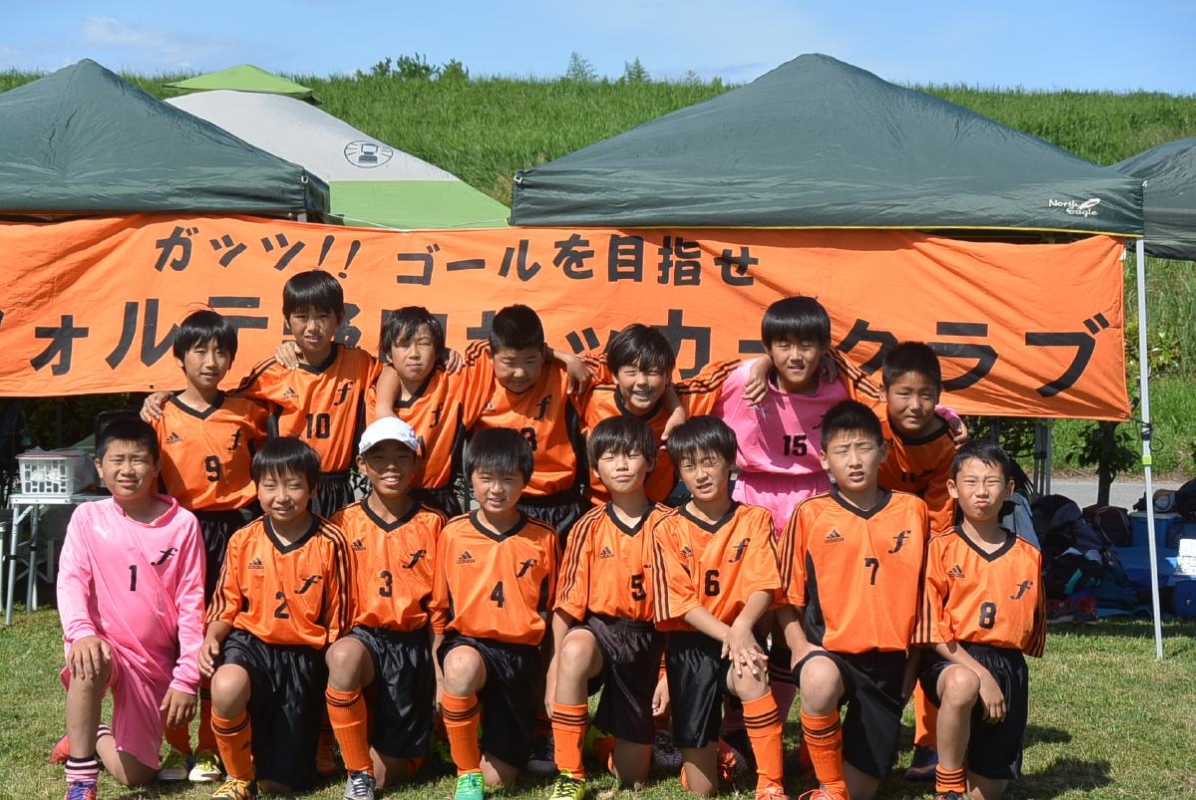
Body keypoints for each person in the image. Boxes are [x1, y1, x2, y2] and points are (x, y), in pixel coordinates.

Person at [777, 400, 930, 800]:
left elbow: (926, 600)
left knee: (862, 792)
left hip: (887, 665)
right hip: (828, 654)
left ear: (883, 451)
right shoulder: (810, 514)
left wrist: (908, 675)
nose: (855, 460)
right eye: (842, 451)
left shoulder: (913, 512)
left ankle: (817, 752)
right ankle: (829, 787)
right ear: (824, 460)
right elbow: (785, 595)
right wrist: (799, 648)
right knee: (819, 680)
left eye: (864, 448)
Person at [53, 417, 205, 800]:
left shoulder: (183, 525)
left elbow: (192, 603)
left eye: (138, 460)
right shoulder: (87, 518)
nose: (127, 470)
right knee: (89, 660)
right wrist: (81, 633)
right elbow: (71, 580)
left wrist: (186, 677)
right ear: (99, 467)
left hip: (151, 660)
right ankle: (81, 780)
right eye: (117, 460)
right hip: (103, 645)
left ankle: (91, 735)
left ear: (156, 466)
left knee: (135, 774)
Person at [146, 271, 380, 518]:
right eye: (302, 317)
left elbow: (392, 375)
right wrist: (169, 397)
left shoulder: (359, 363)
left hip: (336, 485)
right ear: (287, 320)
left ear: (340, 318)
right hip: (287, 486)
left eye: (322, 316)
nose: (313, 327)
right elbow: (219, 404)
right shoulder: (272, 371)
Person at [148, 309, 268, 782]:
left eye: (221, 351)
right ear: (180, 357)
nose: (211, 360)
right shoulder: (160, 415)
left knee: (223, 632)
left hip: (232, 530)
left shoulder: (248, 412)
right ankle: (175, 745)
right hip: (178, 531)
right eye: (199, 350)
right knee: (174, 635)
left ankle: (211, 745)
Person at [201, 437, 351, 800]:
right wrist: (212, 638)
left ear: (313, 489)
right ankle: (238, 777)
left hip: (302, 657)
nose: (281, 496)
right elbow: (226, 604)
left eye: (293, 485)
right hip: (251, 646)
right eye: (270, 486)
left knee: (279, 785)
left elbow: (340, 617)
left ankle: (312, 739)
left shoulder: (332, 541)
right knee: (227, 684)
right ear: (257, 488)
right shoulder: (243, 539)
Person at [651, 416, 787, 800]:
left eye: (709, 462)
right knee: (703, 791)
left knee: (751, 671)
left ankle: (771, 785)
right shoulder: (667, 528)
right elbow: (681, 603)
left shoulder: (755, 519)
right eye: (689, 466)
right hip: (691, 645)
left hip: (739, 634)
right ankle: (715, 754)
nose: (701, 474)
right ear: (679, 473)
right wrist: (730, 633)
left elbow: (763, 584)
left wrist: (742, 627)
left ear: (730, 463)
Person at [429, 428, 560, 800]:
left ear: (525, 481)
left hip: (519, 658)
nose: (496, 489)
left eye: (508, 479)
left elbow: (554, 615)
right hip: (468, 645)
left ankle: (489, 740)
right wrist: (438, 676)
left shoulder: (544, 538)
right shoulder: (453, 534)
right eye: (486, 478)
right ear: (470, 478)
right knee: (461, 667)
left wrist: (549, 679)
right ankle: (466, 771)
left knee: (498, 780)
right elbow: (438, 610)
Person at [546, 416, 672, 799]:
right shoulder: (587, 526)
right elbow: (566, 607)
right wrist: (554, 670)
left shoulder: (672, 526)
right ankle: (570, 774)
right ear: (595, 468)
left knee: (632, 778)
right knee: (574, 648)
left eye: (631, 454)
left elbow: (684, 611)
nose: (621, 465)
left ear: (650, 461)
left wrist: (667, 673)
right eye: (610, 456)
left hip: (649, 640)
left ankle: (600, 741)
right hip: (601, 632)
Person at [914, 441, 1047, 800]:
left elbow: (1030, 631)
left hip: (1007, 664)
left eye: (991, 482)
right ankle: (947, 783)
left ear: (1009, 489)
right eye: (971, 482)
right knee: (963, 684)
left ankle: (975, 771)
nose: (981, 492)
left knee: (985, 793)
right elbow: (932, 630)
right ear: (953, 489)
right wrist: (982, 676)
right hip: (952, 657)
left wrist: (1001, 675)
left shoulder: (1028, 556)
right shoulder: (939, 548)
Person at [325, 417, 447, 800]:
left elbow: (440, 610)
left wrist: (439, 674)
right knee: (343, 657)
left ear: (416, 463)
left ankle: (414, 748)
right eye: (379, 457)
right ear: (362, 465)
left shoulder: (435, 524)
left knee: (388, 774)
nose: (390, 466)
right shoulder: (342, 523)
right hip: (364, 641)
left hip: (411, 647)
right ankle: (356, 770)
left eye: (401, 456)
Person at [875, 342, 959, 781]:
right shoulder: (869, 427)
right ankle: (858, 733)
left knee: (929, 641)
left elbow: (941, 513)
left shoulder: (945, 443)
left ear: (939, 396)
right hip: (869, 549)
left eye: (926, 395)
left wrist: (928, 565)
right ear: (884, 392)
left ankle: (929, 743)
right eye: (904, 393)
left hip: (923, 552)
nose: (914, 405)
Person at [580, 324, 715, 506]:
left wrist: (677, 409)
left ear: (668, 376)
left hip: (657, 510)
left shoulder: (688, 400)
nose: (642, 382)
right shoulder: (593, 397)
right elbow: (568, 365)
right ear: (615, 375)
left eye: (652, 372)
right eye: (631, 372)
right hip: (596, 506)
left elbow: (734, 371)